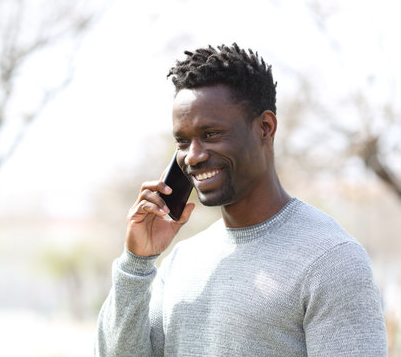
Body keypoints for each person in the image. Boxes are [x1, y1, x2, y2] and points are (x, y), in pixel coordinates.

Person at [94, 43, 387, 356]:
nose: (192, 156)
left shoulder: (332, 260)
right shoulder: (181, 262)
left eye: (211, 134)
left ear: (265, 128)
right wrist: (136, 262)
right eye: (183, 141)